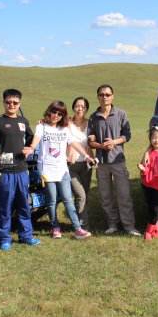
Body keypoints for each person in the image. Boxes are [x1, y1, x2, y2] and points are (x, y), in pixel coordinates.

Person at [0, 88, 40, 251]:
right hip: (5, 171)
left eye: (15, 102)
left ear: (20, 104)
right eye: (8, 102)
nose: (11, 105)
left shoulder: (23, 121)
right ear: (4, 103)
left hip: (22, 170)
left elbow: (31, 138)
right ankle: (4, 238)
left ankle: (26, 236)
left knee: (24, 205)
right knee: (5, 206)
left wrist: (29, 148)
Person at [27, 100, 94, 239]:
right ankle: (55, 227)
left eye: (60, 114)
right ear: (49, 112)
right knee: (51, 200)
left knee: (68, 199)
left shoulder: (64, 129)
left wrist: (86, 155)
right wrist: (31, 148)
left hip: (62, 169)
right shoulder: (42, 127)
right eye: (54, 112)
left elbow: (74, 143)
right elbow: (36, 140)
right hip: (46, 170)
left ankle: (77, 229)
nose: (56, 115)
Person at [87, 84, 140, 236]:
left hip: (118, 161)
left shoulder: (121, 114)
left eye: (107, 94)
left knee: (124, 195)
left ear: (113, 96)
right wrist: (101, 145)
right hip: (102, 163)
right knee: (105, 196)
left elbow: (127, 135)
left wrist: (114, 142)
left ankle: (129, 226)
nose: (105, 97)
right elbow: (90, 140)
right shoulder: (93, 117)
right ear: (98, 97)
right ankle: (112, 224)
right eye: (102, 94)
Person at [67, 96, 94, 229]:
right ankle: (83, 226)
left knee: (85, 195)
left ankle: (80, 221)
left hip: (87, 164)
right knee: (80, 194)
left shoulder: (90, 123)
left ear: (86, 109)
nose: (80, 109)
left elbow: (92, 142)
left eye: (83, 107)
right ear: (73, 107)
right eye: (77, 106)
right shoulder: (66, 122)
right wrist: (42, 121)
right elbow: (51, 124)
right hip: (71, 165)